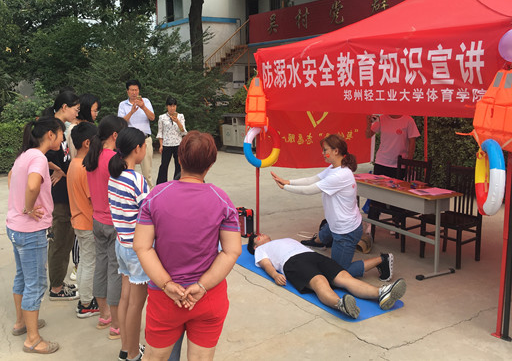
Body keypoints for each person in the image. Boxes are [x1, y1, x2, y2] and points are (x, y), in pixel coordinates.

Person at [134, 131, 242, 361]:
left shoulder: (156, 196)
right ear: (210, 164)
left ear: (180, 159)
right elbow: (231, 251)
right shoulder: (222, 200)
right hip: (207, 296)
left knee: (155, 357)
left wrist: (167, 284)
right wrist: (202, 286)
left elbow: (142, 247)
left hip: (165, 297)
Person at [271, 134, 393, 281]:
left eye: (325, 150)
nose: (323, 153)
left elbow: (309, 190)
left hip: (346, 231)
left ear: (336, 151)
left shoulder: (341, 175)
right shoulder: (333, 168)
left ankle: (382, 260)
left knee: (337, 273)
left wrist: (285, 187)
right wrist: (288, 181)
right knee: (328, 227)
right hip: (339, 223)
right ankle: (319, 241)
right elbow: (313, 179)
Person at [7, 117, 65, 355]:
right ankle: (32, 339)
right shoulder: (38, 158)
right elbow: (32, 186)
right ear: (50, 134)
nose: (62, 138)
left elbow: (11, 177)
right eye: (61, 134)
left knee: (22, 277)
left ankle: (21, 322)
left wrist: (20, 205)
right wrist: (29, 208)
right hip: (30, 231)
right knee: (36, 283)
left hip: (15, 227)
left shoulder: (25, 155)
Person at [248, 234, 406, 319]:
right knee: (319, 281)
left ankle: (381, 293)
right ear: (255, 246)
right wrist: (275, 275)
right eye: (258, 237)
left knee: (345, 277)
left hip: (312, 255)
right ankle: (340, 304)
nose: (262, 235)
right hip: (292, 262)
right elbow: (266, 264)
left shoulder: (283, 238)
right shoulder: (261, 250)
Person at [108, 127, 150, 361]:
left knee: (126, 298)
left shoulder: (114, 176)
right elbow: (149, 214)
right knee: (136, 303)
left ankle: (126, 347)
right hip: (136, 249)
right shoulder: (137, 180)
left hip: (121, 244)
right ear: (137, 149)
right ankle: (133, 353)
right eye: (144, 146)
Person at [84, 115, 127, 337]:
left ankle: (104, 315)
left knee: (100, 266)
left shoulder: (93, 156)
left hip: (97, 220)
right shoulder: (113, 158)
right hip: (113, 222)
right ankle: (116, 324)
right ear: (115, 135)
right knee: (115, 270)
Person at [41, 91, 81, 300]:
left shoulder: (60, 127)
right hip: (58, 195)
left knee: (66, 240)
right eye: (76, 109)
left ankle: (59, 282)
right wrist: (58, 169)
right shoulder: (50, 127)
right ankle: (56, 288)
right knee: (60, 240)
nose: (77, 113)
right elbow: (37, 153)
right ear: (64, 107)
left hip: (65, 192)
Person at [68, 122, 100, 318]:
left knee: (84, 262)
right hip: (88, 222)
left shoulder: (73, 164)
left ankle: (85, 297)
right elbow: (93, 198)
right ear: (87, 143)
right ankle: (86, 303)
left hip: (78, 220)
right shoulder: (84, 169)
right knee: (90, 263)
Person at [117, 79, 155, 189]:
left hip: (145, 140)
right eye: (132, 90)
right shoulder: (123, 104)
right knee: (127, 170)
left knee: (147, 173)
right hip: (130, 141)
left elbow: (152, 117)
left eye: (136, 90)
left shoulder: (146, 101)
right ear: (127, 91)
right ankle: (128, 191)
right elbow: (121, 123)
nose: (134, 93)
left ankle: (149, 194)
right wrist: (131, 112)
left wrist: (143, 107)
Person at [156, 96, 187, 185]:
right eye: (170, 106)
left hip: (178, 144)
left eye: (174, 106)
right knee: (164, 165)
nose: (172, 108)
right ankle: (161, 184)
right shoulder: (162, 117)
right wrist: (161, 145)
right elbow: (160, 132)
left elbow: (183, 131)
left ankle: (177, 183)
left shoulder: (180, 116)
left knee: (179, 165)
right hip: (166, 144)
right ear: (167, 106)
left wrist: (177, 121)